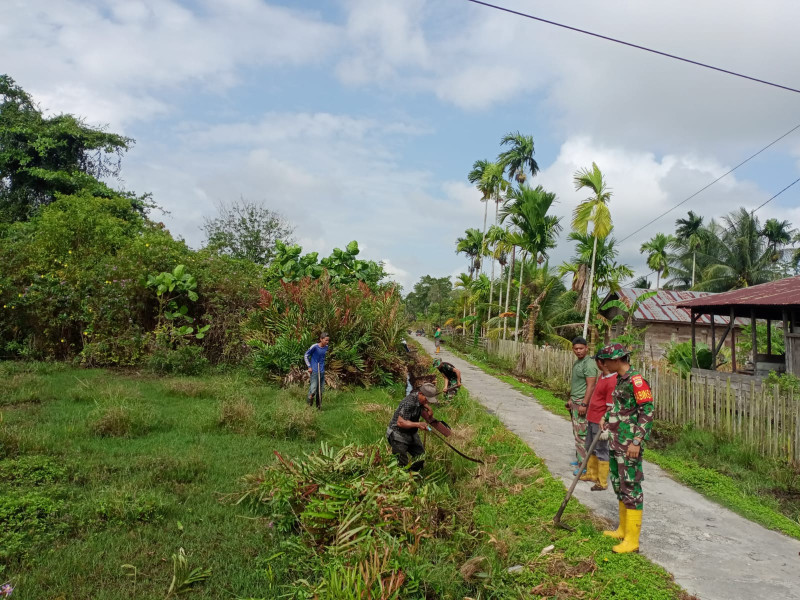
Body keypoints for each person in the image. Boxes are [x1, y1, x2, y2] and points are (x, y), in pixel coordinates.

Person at [601, 343, 654, 554]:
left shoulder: (637, 381)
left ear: (616, 360)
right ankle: (623, 529)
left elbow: (647, 411)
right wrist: (607, 417)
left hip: (629, 443)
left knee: (631, 486)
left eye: (606, 361)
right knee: (619, 483)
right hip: (616, 440)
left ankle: (632, 540)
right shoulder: (620, 380)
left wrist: (637, 441)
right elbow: (619, 406)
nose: (604, 364)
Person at [581, 346, 616, 491]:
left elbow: (610, 406)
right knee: (589, 446)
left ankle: (602, 481)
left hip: (600, 420)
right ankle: (591, 473)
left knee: (602, 449)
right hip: (592, 417)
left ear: (601, 363)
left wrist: (606, 423)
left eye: (597, 361)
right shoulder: (603, 376)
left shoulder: (612, 381)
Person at [386, 383, 438, 471]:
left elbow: (422, 404)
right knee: (402, 464)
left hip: (411, 434)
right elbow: (400, 423)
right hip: (397, 434)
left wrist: (429, 408)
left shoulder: (418, 398)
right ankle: (404, 479)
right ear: (421, 394)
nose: (427, 401)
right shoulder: (408, 402)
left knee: (420, 457)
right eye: (427, 399)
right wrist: (418, 424)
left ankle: (413, 475)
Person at [568, 336, 598, 474]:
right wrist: (571, 400)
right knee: (577, 432)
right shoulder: (578, 362)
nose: (578, 351)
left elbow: (591, 385)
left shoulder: (589, 364)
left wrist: (584, 404)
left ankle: (584, 466)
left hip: (582, 402)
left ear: (587, 348)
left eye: (581, 348)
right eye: (576, 349)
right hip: (575, 401)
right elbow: (576, 383)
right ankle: (580, 458)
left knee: (582, 434)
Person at [304, 332, 330, 409]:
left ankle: (318, 408)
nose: (327, 342)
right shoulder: (315, 346)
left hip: (321, 370)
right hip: (314, 370)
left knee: (320, 391)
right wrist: (309, 366)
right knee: (313, 390)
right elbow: (306, 355)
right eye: (325, 340)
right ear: (321, 339)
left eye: (328, 340)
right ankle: (308, 407)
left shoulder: (326, 347)